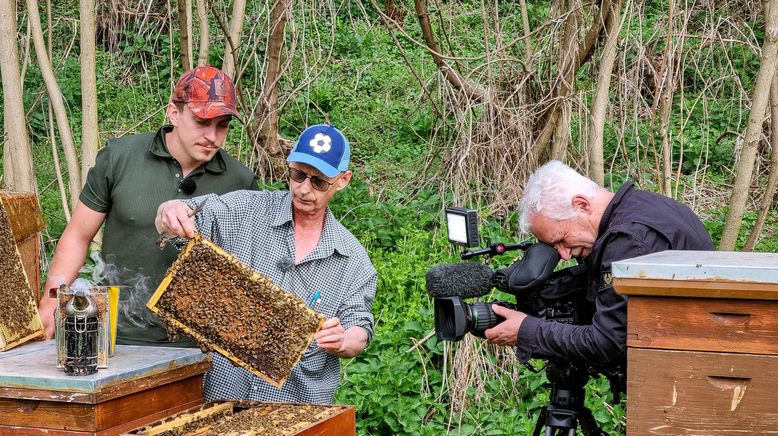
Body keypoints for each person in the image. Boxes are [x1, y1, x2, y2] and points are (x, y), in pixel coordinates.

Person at [154, 123, 376, 404]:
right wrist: (170, 210)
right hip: (222, 401)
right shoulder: (246, 209)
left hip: (296, 411)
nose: (304, 189)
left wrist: (344, 340)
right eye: (297, 175)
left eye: (318, 181)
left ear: (343, 180)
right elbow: (182, 214)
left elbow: (360, 328)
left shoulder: (353, 260)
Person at [38, 65, 258, 346]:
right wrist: (51, 300)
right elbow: (78, 236)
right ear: (174, 112)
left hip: (197, 347)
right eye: (202, 122)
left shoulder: (240, 180)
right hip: (116, 337)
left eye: (222, 125)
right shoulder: (120, 157)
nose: (213, 137)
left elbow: (245, 269)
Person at [484, 160, 714, 369]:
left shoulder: (628, 240)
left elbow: (607, 343)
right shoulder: (646, 205)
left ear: (582, 205)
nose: (564, 255)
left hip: (684, 374)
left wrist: (526, 330)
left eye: (562, 240)